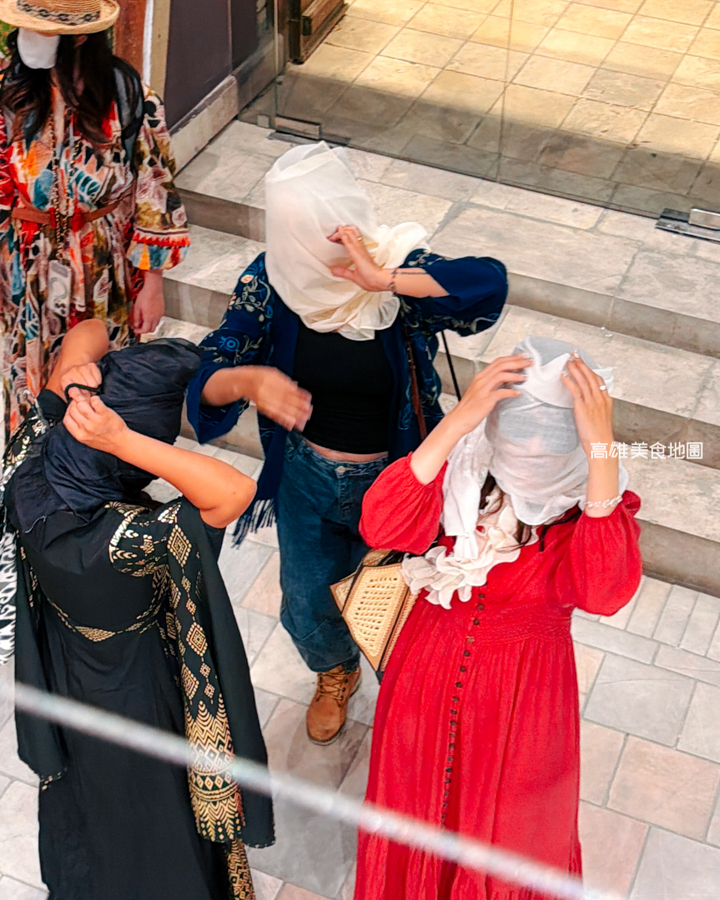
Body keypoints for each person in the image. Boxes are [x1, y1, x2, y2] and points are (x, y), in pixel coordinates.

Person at [186, 141, 509, 746]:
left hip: (397, 480)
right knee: (306, 601)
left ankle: (409, 692)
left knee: (396, 599)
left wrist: (383, 277)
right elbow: (208, 375)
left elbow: (488, 287)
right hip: (306, 477)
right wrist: (248, 380)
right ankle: (336, 673)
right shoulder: (270, 281)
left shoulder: (395, 270)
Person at [353, 336, 643, 900]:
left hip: (526, 696)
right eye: (518, 439)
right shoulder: (461, 473)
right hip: (427, 672)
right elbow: (381, 528)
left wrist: (601, 451)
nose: (531, 456)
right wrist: (459, 420)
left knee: (515, 841)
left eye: (551, 447)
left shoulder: (593, 502)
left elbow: (605, 592)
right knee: (411, 810)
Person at [2, 320, 274, 900]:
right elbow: (233, 493)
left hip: (70, 682)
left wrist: (75, 381)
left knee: (93, 813)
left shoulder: (28, 463)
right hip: (137, 695)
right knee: (157, 827)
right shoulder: (118, 541)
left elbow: (89, 330)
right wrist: (125, 440)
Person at [0, 0, 190, 441]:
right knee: (29, 380)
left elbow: (155, 190)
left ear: (80, 37)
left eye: (41, 32)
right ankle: (29, 478)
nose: (24, 41)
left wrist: (154, 285)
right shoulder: (9, 92)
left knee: (99, 382)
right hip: (26, 268)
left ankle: (92, 479)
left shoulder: (129, 97)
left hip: (104, 269)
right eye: (26, 29)